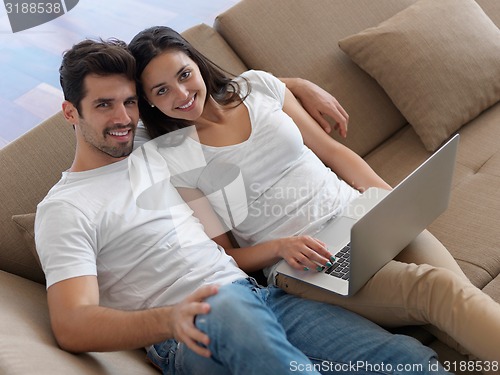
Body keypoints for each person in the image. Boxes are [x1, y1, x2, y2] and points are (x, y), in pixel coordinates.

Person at [33, 38, 451, 375]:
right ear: (70, 112)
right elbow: (72, 324)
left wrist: (290, 86)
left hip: (261, 298)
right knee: (229, 308)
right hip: (192, 326)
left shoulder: (152, 148)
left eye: (130, 102)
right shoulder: (67, 208)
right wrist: (171, 318)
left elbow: (199, 93)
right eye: (103, 105)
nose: (122, 117)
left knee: (406, 359)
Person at [127, 25, 500, 362]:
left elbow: (334, 152)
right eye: (162, 90)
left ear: (196, 63)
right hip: (309, 265)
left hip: (364, 215)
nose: (181, 93)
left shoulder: (258, 87)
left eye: (184, 74)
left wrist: (391, 199)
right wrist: (279, 248)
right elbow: (224, 254)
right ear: (149, 103)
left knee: (461, 308)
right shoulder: (172, 158)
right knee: (437, 290)